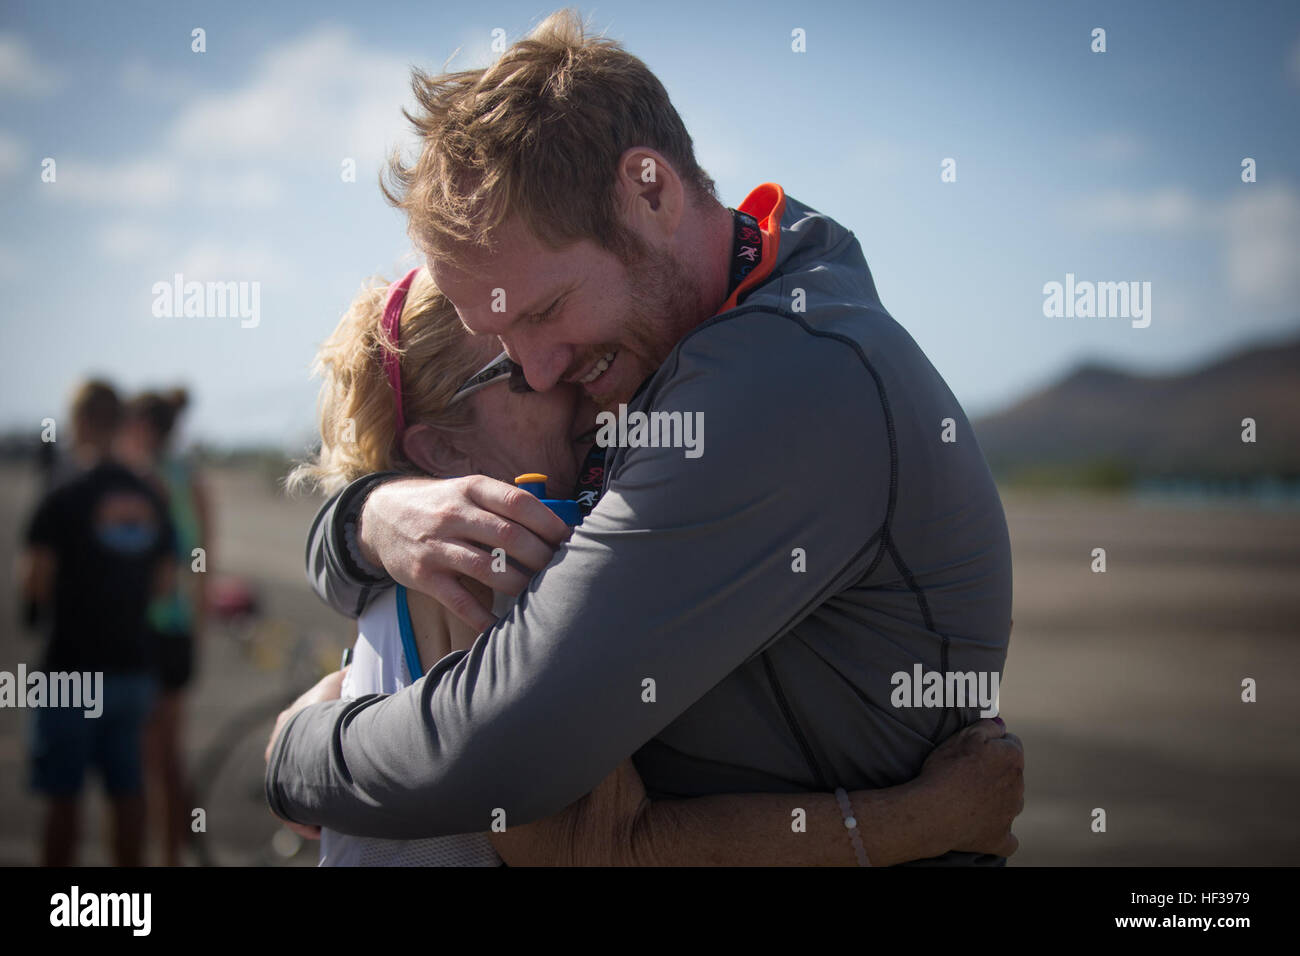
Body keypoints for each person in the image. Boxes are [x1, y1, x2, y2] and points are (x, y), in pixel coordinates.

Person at [267, 11, 1016, 866]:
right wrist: (367, 516)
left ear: (651, 191)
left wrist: (294, 753)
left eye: (544, 313)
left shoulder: (774, 379)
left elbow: (505, 751)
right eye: (506, 349)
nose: (541, 373)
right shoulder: (704, 332)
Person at [286, 266, 1023, 865]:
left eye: (551, 329)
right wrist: (928, 820)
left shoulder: (407, 561)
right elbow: (595, 851)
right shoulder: (490, 556)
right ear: (442, 451)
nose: (568, 372)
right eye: (519, 370)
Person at [19, 379, 175, 866]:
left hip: (68, 669)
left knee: (63, 799)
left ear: (81, 421)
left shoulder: (63, 494)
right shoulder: (149, 495)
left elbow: (34, 581)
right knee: (128, 792)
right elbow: (165, 584)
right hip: (133, 666)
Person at [117, 388, 211, 866]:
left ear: (143, 428)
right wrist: (195, 626)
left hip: (145, 630)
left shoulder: (139, 480)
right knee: (167, 755)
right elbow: (204, 563)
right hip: (178, 631)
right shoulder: (190, 478)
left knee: (146, 761)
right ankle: (180, 848)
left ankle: (169, 855)